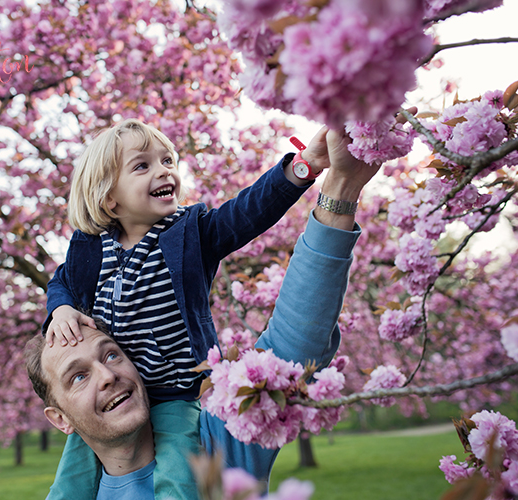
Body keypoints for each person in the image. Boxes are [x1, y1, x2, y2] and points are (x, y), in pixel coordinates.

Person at [26, 127, 380, 498]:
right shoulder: (92, 250)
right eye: (142, 166)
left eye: (167, 161)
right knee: (68, 484)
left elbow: (245, 213)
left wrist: (305, 168)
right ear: (110, 199)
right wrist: (61, 309)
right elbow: (62, 280)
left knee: (181, 468)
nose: (164, 172)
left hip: (178, 393)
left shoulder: (188, 235)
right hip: (129, 400)